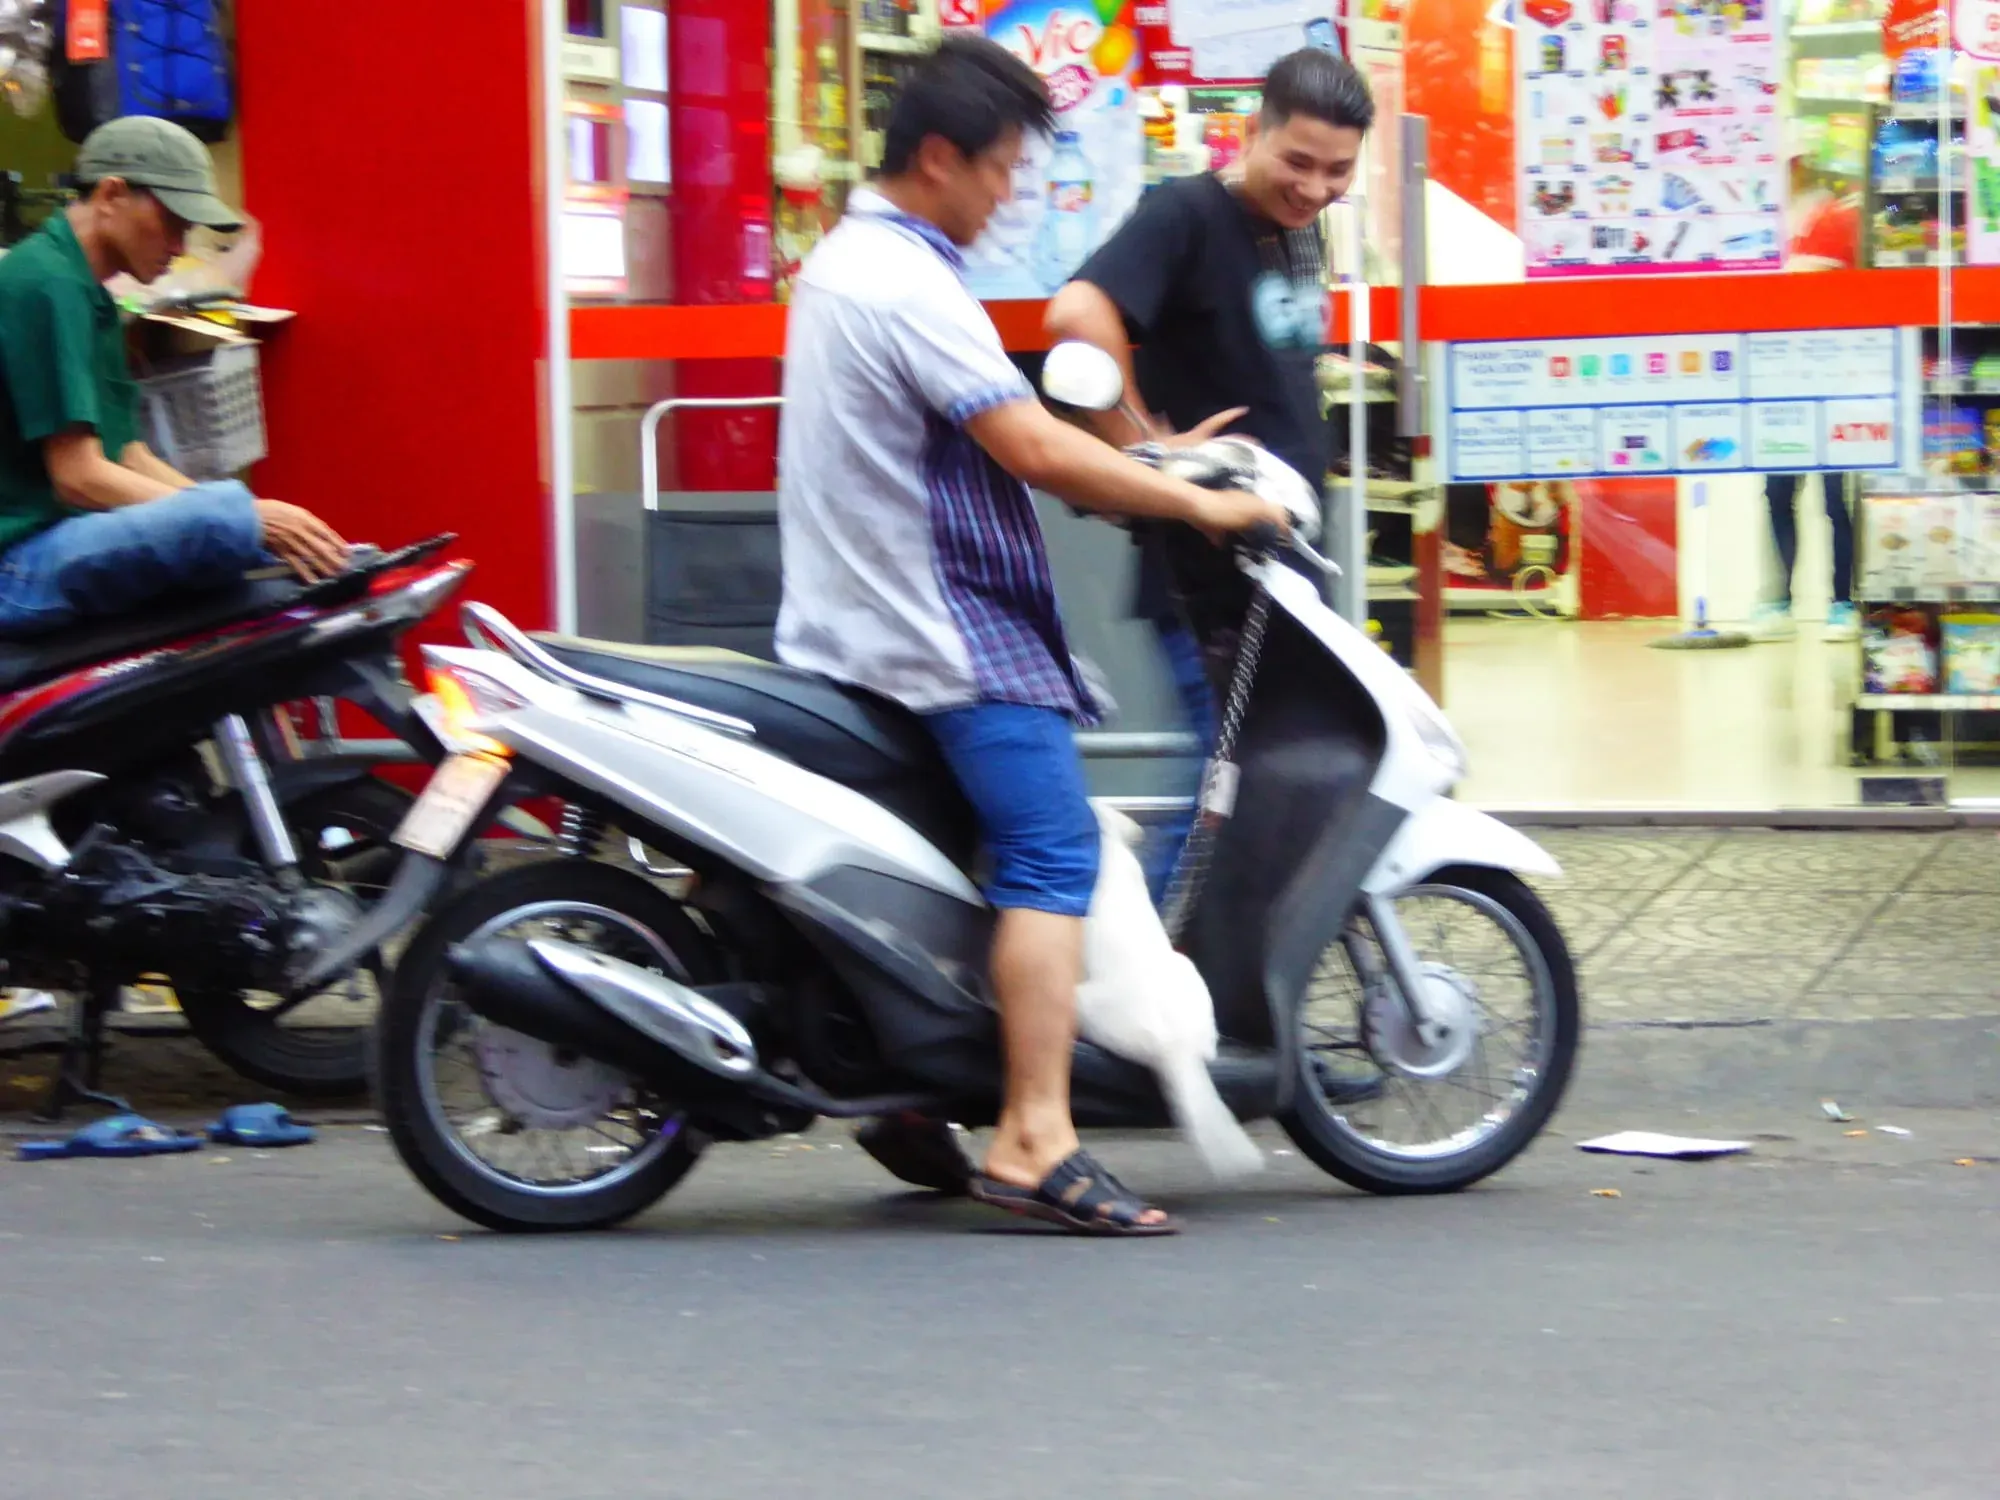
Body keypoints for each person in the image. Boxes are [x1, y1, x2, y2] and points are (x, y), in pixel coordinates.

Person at [775, 34, 1287, 1236]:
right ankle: (1032, 1135)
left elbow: (1002, 431)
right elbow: (1030, 446)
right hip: (937, 634)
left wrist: (1143, 455)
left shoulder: (854, 263)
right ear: (940, 158)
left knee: (960, 856)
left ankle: (908, 1096)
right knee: (1052, 856)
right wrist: (1196, 500)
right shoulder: (902, 280)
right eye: (1002, 169)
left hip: (858, 621)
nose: (1010, 197)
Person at [1043, 48, 1375, 900]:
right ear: (1254, 132)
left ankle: (1205, 984)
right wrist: (1139, 446)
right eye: (1296, 161)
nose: (1314, 186)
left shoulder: (1304, 226)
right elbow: (1077, 312)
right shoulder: (1187, 212)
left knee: (1254, 786)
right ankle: (1143, 986)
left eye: (1337, 170)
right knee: (1222, 797)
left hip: (1277, 559)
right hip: (1205, 569)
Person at [0, 116, 348, 639]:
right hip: (17, 565)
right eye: (173, 221)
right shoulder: (47, 281)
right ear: (112, 194)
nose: (181, 246)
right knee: (225, 521)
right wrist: (242, 518)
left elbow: (129, 455)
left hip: (56, 540)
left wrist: (250, 516)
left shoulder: (88, 291)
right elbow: (78, 475)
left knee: (233, 521)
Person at [1754, 151, 1860, 643]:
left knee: (1835, 500)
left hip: (1835, 380)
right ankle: (1780, 603)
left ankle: (1842, 602)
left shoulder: (1841, 219)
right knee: (1779, 494)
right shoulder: (1761, 226)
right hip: (1781, 386)